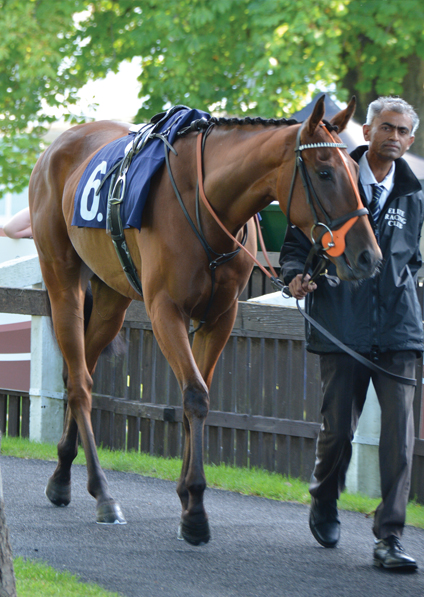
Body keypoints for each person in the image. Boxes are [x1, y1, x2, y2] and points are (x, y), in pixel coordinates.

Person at [279, 96, 423, 570]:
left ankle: (390, 538)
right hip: (342, 324)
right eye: (387, 128)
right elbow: (296, 245)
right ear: (367, 131)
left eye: (404, 131)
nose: (395, 138)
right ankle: (324, 498)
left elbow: (411, 259)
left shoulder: (415, 194)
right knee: (338, 431)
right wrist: (296, 275)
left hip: (399, 329)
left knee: (400, 440)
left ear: (412, 139)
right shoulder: (331, 175)